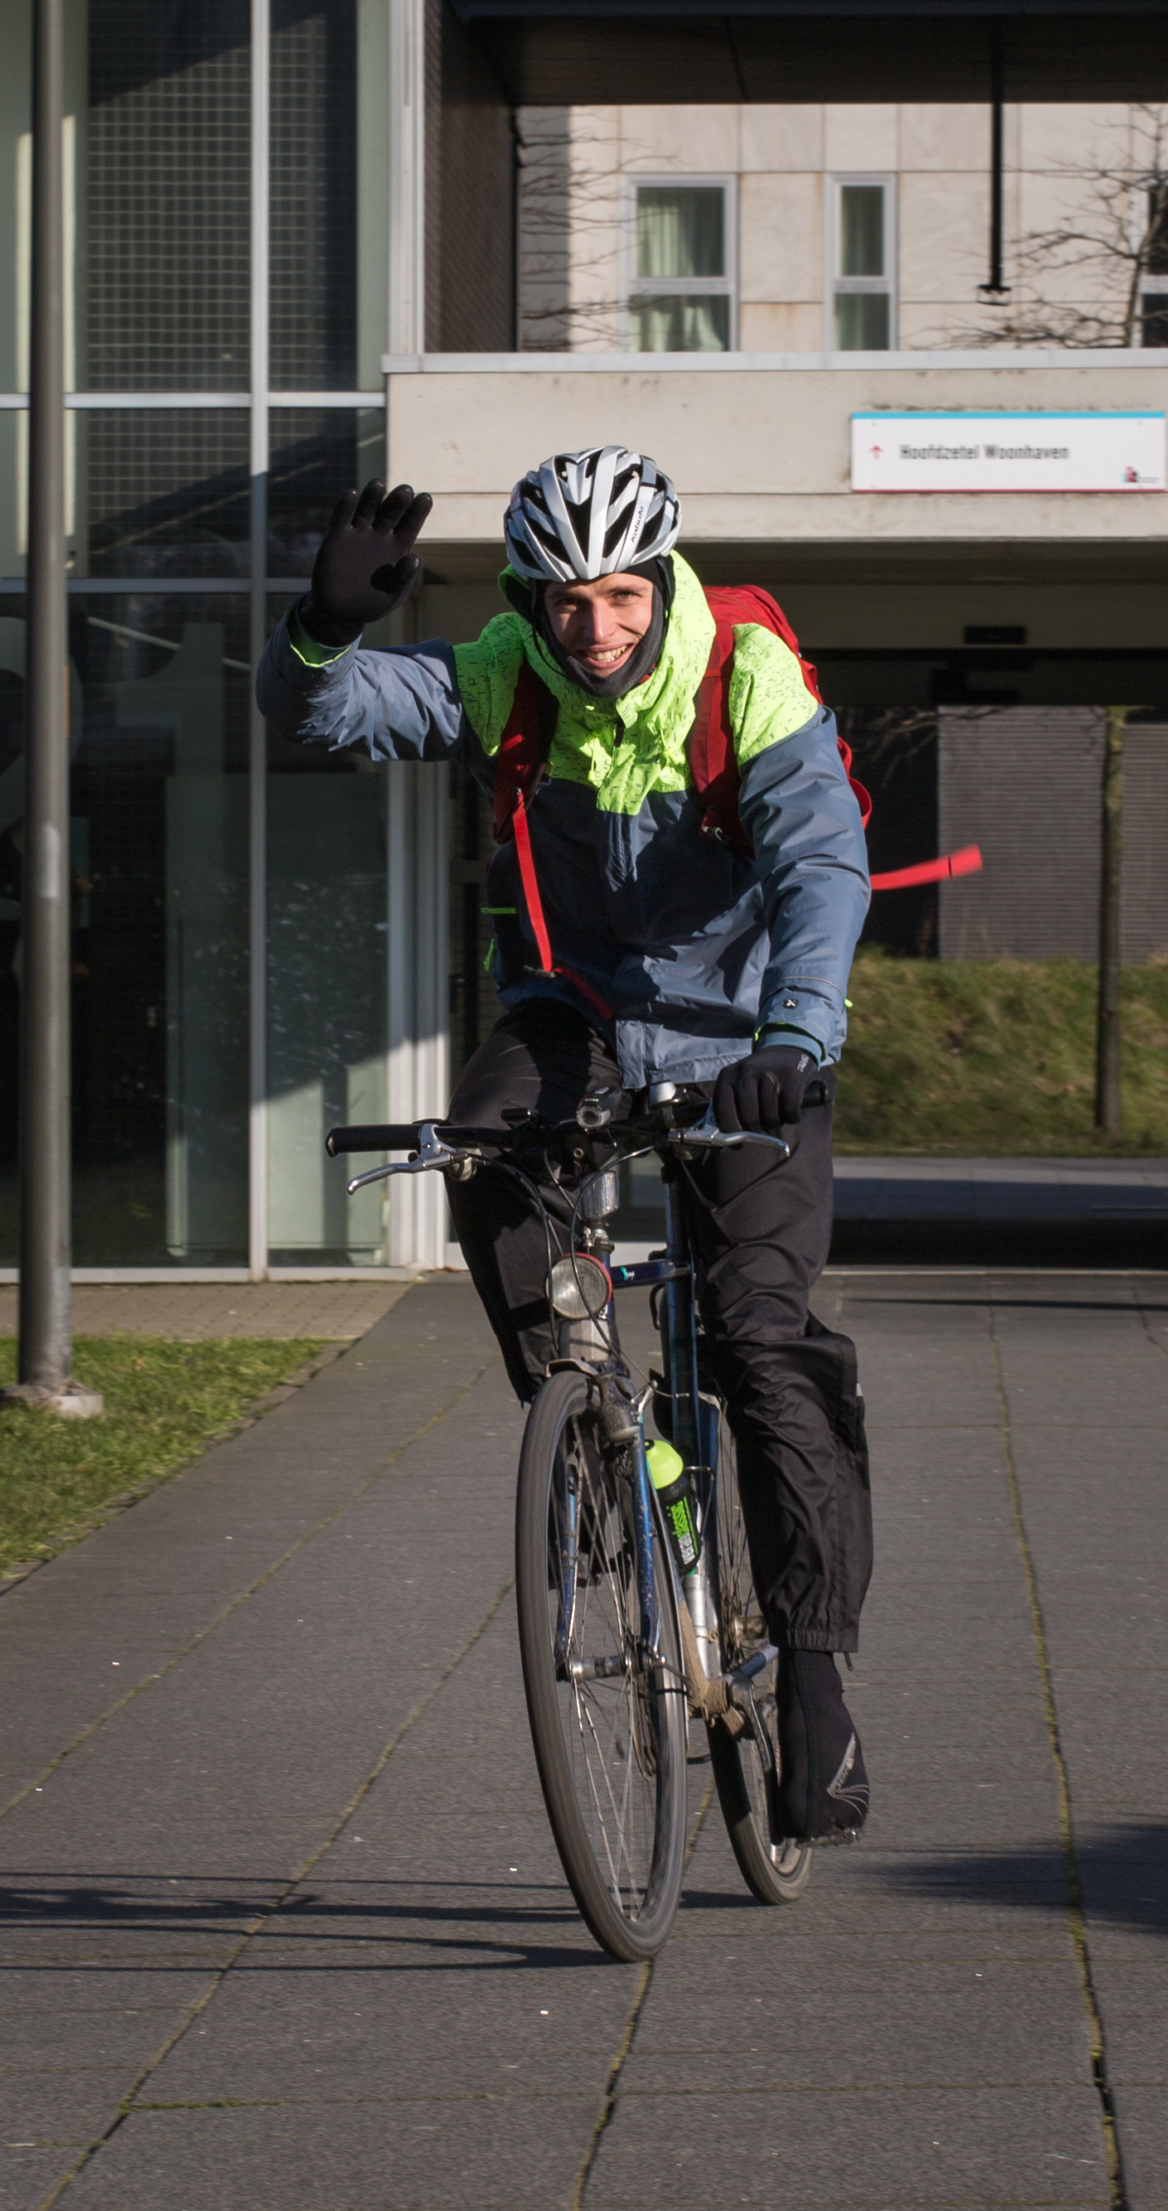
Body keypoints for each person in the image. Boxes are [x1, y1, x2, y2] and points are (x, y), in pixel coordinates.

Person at [255, 449, 873, 1843]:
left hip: (745, 1051)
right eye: (563, 602)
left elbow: (820, 866)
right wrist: (323, 628)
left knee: (763, 1338)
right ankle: (584, 1411)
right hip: (578, 1013)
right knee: (483, 1143)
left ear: (660, 586)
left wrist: (795, 1037)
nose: (593, 631)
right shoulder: (503, 672)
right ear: (529, 601)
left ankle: (819, 1678)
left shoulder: (746, 681)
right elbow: (326, 715)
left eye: (618, 598)